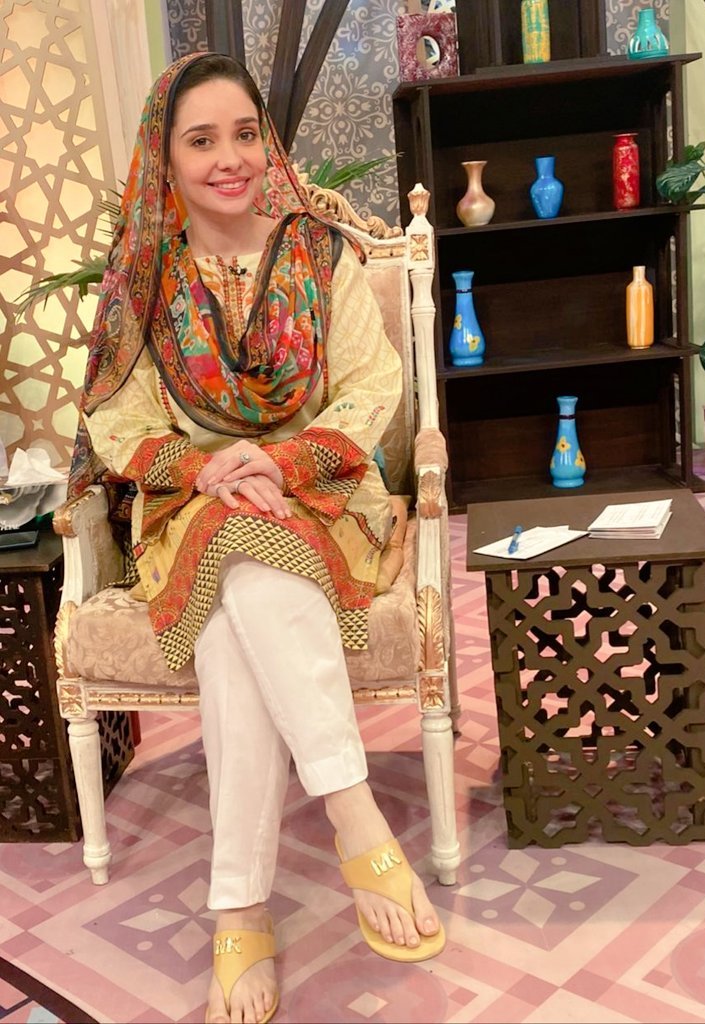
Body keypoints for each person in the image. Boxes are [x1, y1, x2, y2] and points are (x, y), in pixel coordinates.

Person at [69, 52, 446, 1024]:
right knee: (235, 547)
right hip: (192, 503)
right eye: (202, 140)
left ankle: (238, 910)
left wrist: (279, 461)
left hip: (320, 490)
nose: (229, 158)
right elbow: (118, 421)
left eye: (245, 134)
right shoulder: (142, 282)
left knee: (238, 619)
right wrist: (209, 470)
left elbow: (372, 385)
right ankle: (354, 816)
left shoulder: (319, 254)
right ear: (165, 157)